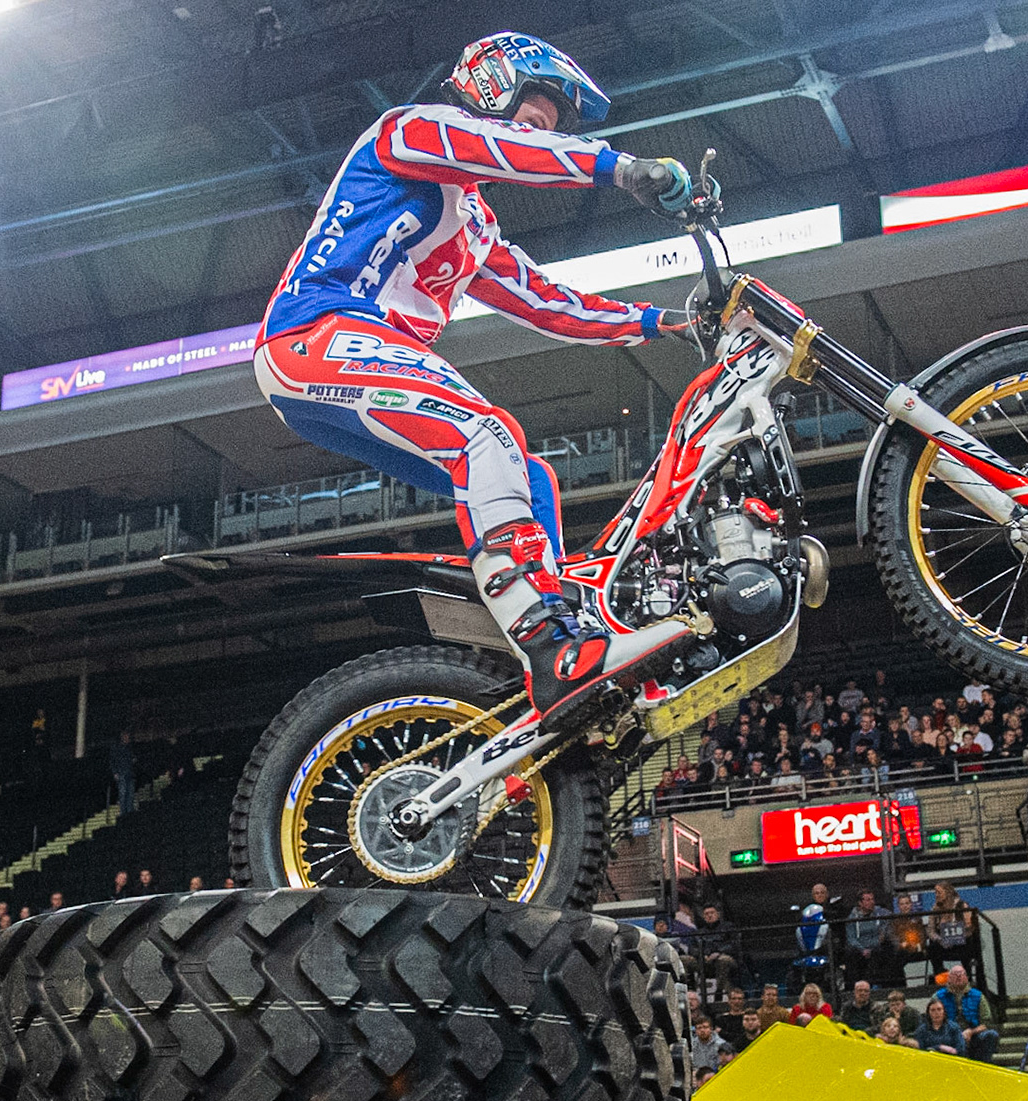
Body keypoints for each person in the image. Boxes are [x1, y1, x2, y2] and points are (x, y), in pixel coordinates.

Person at [256, 33, 704, 724]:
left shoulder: (473, 224)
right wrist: (622, 167)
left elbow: (552, 303)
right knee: (484, 431)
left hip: (361, 367)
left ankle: (557, 654)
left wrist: (662, 321)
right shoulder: (408, 131)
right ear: (493, 80)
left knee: (530, 477)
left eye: (554, 121)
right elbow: (506, 150)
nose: (543, 124)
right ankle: (544, 637)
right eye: (537, 106)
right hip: (314, 332)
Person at [933, 965, 998, 1062]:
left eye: (961, 974)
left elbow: (987, 1023)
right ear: (949, 978)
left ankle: (984, 1065)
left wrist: (971, 1031)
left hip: (973, 1034)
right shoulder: (938, 997)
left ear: (966, 978)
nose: (959, 977)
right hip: (947, 1034)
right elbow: (932, 1021)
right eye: (955, 975)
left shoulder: (978, 996)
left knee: (991, 1035)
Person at [840, 890, 892, 986]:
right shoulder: (852, 918)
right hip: (859, 949)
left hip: (876, 947)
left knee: (883, 951)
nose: (871, 902)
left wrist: (873, 947)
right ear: (860, 903)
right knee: (850, 953)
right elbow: (851, 938)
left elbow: (884, 931)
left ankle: (872, 985)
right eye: (868, 900)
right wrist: (862, 949)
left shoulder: (881, 913)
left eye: (872, 899)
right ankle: (854, 987)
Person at [109, 729, 137, 816]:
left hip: (130, 773)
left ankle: (129, 811)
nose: (128, 738)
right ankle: (123, 812)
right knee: (123, 792)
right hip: (121, 773)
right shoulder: (116, 747)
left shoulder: (130, 747)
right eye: (126, 737)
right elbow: (112, 761)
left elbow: (132, 758)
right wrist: (115, 772)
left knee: (130, 793)